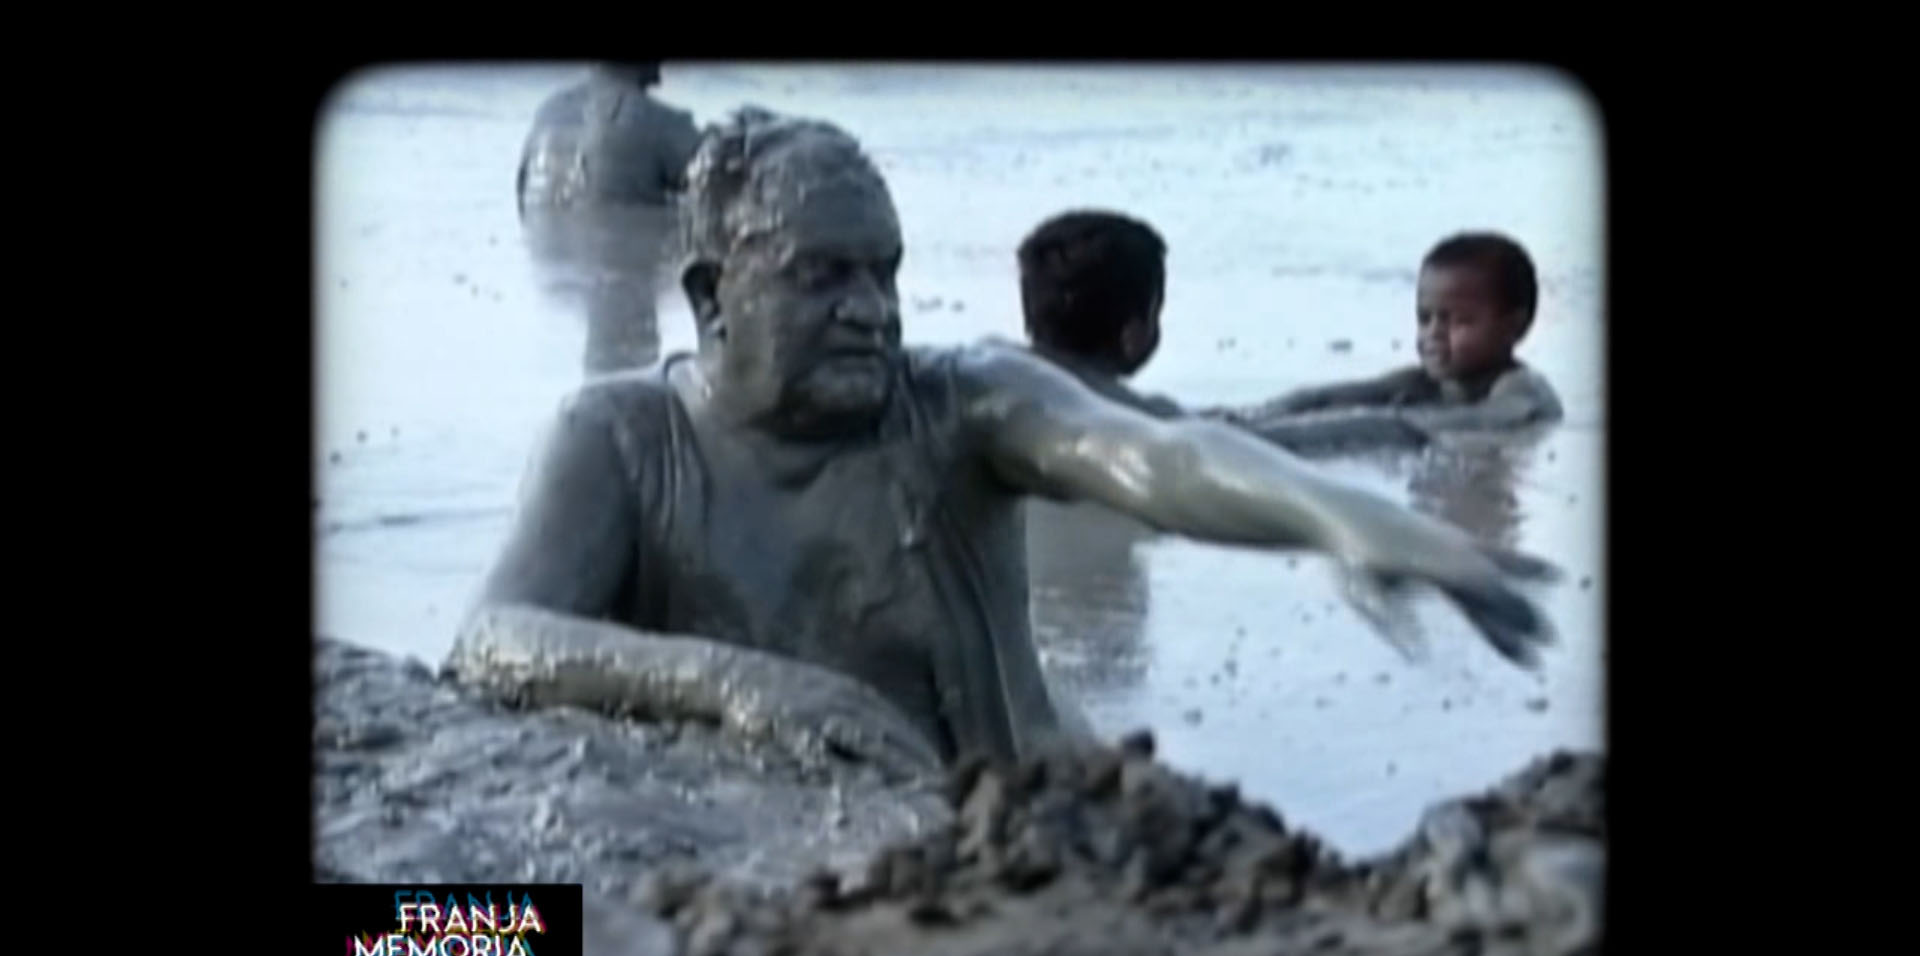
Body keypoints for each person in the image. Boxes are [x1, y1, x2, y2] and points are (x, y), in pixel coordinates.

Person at [446, 109, 1558, 783]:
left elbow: (1163, 463)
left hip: (1000, 834)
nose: (872, 311)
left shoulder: (963, 399)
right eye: (822, 276)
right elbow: (496, 639)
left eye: (884, 272)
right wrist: (742, 687)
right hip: (747, 837)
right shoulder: (623, 437)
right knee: (384, 938)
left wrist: (1348, 519)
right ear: (710, 297)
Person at [1012, 209, 1431, 456]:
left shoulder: (1008, 381)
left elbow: (1226, 420)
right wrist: (1390, 426)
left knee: (1265, 409)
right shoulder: (1129, 416)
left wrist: (1365, 392)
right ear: (1133, 335)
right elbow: (1261, 443)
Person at [1220, 233, 1564, 435]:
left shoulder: (1522, 387)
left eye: (1456, 321)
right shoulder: (1424, 383)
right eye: (1424, 318)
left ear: (1514, 326)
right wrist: (1249, 417)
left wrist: (1294, 437)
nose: (1433, 335)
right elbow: (1325, 399)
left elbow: (1481, 421)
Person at [517, 62, 702, 376]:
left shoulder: (548, 114)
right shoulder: (661, 125)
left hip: (558, 250)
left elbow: (522, 198)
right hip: (625, 269)